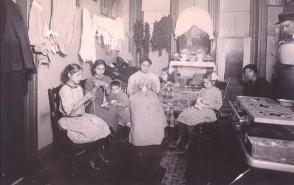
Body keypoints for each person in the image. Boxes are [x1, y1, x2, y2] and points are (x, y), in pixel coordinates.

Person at [170, 71, 223, 153]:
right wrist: (198, 101)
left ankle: (189, 142)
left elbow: (219, 105)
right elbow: (198, 99)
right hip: (198, 108)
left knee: (192, 118)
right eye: (204, 82)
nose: (205, 84)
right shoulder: (202, 90)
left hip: (209, 111)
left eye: (207, 83)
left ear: (213, 82)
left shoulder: (217, 91)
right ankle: (180, 138)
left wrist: (207, 103)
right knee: (183, 114)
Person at [58, 64, 110, 144]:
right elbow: (69, 112)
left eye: (81, 75)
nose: (80, 78)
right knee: (95, 131)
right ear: (69, 75)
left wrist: (88, 100)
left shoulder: (78, 87)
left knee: (102, 124)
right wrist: (85, 98)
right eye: (78, 75)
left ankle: (97, 147)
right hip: (70, 119)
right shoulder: (65, 90)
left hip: (81, 116)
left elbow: (82, 107)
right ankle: (92, 149)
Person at [127, 58, 167, 146]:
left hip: (151, 96)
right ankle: (139, 140)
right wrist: (138, 86)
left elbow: (157, 90)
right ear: (140, 65)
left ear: (150, 66)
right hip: (137, 96)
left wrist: (150, 86)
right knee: (139, 112)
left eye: (147, 65)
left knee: (154, 110)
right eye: (143, 65)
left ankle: (154, 140)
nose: (145, 67)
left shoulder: (153, 76)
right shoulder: (134, 76)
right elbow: (129, 92)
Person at [85, 60, 119, 134]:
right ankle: (100, 134)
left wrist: (107, 89)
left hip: (106, 102)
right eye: (98, 69)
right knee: (96, 115)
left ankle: (110, 133)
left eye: (103, 69)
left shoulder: (108, 79)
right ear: (94, 69)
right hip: (94, 103)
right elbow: (88, 98)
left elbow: (111, 96)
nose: (101, 71)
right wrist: (95, 87)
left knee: (113, 112)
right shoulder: (89, 81)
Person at [159, 67, 175, 142]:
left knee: (169, 122)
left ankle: (171, 136)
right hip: (162, 105)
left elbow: (171, 97)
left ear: (169, 76)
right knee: (164, 121)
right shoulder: (162, 83)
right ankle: (165, 134)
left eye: (163, 75)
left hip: (167, 107)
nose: (162, 76)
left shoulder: (170, 85)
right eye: (161, 74)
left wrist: (168, 106)